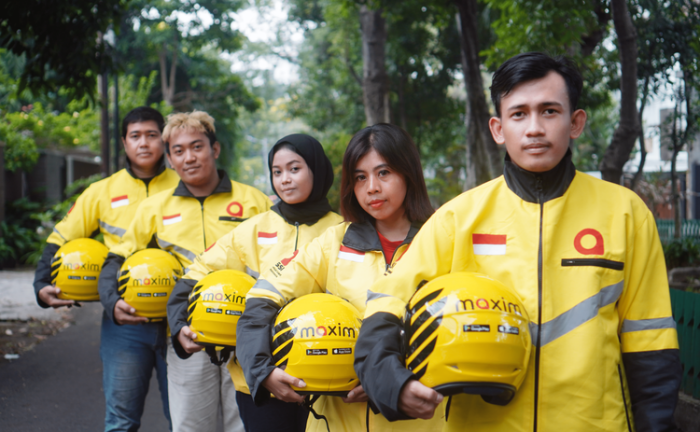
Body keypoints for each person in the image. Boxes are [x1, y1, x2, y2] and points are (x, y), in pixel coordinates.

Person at [354, 52, 682, 432]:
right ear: (498, 128)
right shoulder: (459, 217)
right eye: (519, 114)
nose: (534, 128)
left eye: (549, 111)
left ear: (575, 122)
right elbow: (386, 304)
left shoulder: (626, 213)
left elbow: (650, 340)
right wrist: (394, 384)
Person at [237, 124, 445, 432]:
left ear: (408, 173)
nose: (372, 187)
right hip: (335, 422)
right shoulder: (331, 243)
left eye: (384, 173)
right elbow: (263, 295)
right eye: (360, 177)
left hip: (420, 421)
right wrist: (260, 369)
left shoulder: (442, 240)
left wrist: (386, 381)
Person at [98, 110, 271, 432]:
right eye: (178, 151)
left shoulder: (254, 202)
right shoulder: (154, 209)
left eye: (197, 147)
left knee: (245, 427)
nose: (189, 157)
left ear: (214, 150)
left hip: (247, 339)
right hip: (186, 338)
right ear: (170, 159)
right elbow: (117, 258)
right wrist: (111, 301)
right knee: (191, 427)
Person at [168, 134, 344, 432]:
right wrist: (178, 324)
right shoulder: (251, 229)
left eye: (295, 169)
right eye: (277, 172)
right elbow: (196, 272)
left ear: (318, 169)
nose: (285, 179)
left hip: (329, 377)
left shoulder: (343, 231)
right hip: (258, 381)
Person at [32, 106, 179, 431]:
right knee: (121, 421)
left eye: (152, 135)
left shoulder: (186, 185)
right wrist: (42, 284)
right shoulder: (101, 192)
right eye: (135, 136)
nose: (144, 143)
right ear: (124, 143)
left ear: (165, 141)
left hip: (180, 322)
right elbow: (62, 236)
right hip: (122, 319)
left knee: (187, 422)